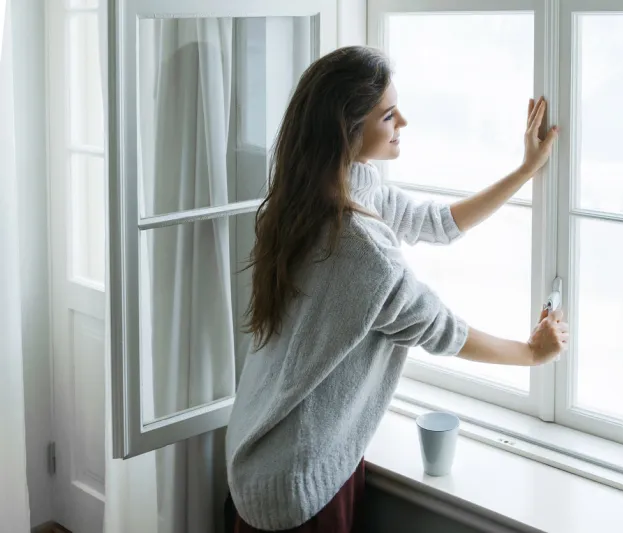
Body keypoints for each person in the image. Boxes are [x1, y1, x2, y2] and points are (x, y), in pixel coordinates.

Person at [225, 45, 568, 533]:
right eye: (388, 115)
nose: (402, 121)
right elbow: (441, 329)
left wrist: (525, 170)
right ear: (348, 129)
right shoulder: (358, 250)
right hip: (296, 483)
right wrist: (532, 353)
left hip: (263, 451)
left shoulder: (320, 187)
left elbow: (433, 222)